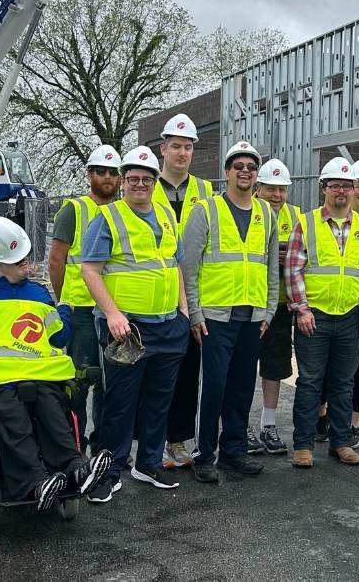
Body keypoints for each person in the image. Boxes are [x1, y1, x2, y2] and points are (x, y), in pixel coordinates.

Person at [0, 217, 112, 511]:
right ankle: (34, 482)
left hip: (35, 375)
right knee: (15, 417)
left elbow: (59, 337)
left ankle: (75, 468)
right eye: (18, 262)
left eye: (27, 260)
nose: (27, 266)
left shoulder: (40, 295)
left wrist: (65, 312)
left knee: (52, 408)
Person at [81, 146, 190, 501]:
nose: (139, 184)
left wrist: (184, 315)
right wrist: (113, 313)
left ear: (154, 181)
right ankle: (109, 471)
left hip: (168, 325)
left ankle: (148, 463)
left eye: (146, 178)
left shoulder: (165, 216)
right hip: (126, 329)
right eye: (132, 178)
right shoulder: (109, 218)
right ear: (124, 181)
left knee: (160, 400)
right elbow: (90, 270)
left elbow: (175, 267)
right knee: (120, 403)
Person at [182, 141, 279, 483]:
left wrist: (269, 310)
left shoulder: (266, 213)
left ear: (256, 175)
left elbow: (270, 268)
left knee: (241, 386)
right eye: (238, 165)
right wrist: (194, 312)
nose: (245, 171)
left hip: (251, 317)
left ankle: (233, 451)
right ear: (227, 172)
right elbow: (189, 267)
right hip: (214, 318)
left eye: (251, 167)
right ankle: (205, 454)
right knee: (214, 387)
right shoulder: (206, 211)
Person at [286, 157, 359, 469]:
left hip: (351, 317)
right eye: (334, 185)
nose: (341, 190)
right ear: (323, 189)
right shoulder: (307, 222)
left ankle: (341, 442)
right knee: (311, 381)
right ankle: (303, 445)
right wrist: (301, 310)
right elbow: (293, 269)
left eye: (346, 185)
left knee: (344, 382)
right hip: (314, 316)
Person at [48, 144, 121, 452]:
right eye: (100, 171)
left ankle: (102, 445)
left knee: (110, 385)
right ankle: (73, 448)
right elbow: (56, 260)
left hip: (114, 313)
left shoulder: (123, 212)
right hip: (81, 312)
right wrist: (64, 299)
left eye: (112, 173)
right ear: (89, 175)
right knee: (79, 383)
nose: (107, 177)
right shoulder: (74, 210)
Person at [151, 113, 213, 469]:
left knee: (188, 372)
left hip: (191, 294)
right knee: (156, 375)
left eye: (187, 147)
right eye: (175, 146)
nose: (181, 153)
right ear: (163, 148)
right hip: (157, 294)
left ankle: (177, 441)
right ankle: (153, 441)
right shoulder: (146, 186)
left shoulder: (205, 191)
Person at [315, 157, 359, 449]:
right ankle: (323, 416)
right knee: (324, 366)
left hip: (357, 309)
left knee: (357, 367)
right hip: (327, 306)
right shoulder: (326, 217)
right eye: (358, 186)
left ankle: (351, 424)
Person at [248, 158, 301, 454]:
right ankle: (240, 425)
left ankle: (268, 425)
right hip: (251, 303)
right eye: (271, 189)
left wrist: (291, 257)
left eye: (282, 190)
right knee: (243, 368)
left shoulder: (295, 217)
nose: (277, 196)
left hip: (281, 304)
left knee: (275, 366)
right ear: (259, 188)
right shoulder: (250, 211)